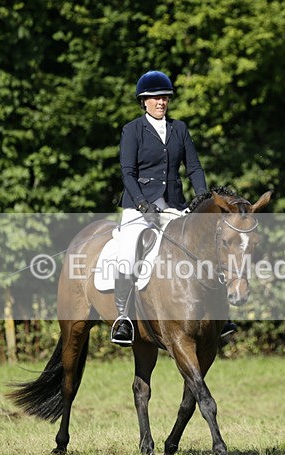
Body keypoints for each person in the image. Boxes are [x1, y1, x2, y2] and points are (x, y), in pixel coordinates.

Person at [111, 70, 237, 345]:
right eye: (155, 98)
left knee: (207, 249)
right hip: (139, 206)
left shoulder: (179, 129)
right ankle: (123, 318)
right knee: (127, 252)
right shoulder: (132, 130)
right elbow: (128, 173)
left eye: (165, 97)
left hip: (174, 206)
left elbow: (193, 167)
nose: (161, 102)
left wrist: (203, 199)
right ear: (143, 102)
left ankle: (221, 315)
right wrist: (143, 204)